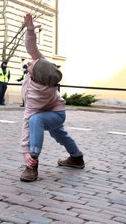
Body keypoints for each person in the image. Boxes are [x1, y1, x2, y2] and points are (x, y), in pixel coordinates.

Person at [19, 13, 84, 182]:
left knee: (35, 121)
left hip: (54, 113)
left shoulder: (35, 95)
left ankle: (31, 165)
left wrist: (25, 151)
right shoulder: (45, 68)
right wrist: (30, 30)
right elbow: (32, 49)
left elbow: (27, 121)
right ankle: (76, 158)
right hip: (55, 111)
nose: (30, 63)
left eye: (30, 66)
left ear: (34, 76)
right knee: (59, 134)